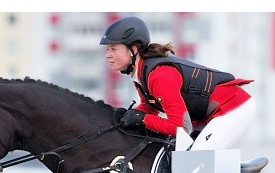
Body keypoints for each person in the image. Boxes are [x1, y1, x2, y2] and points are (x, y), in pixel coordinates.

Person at [101, 16, 256, 152]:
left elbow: (181, 128)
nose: (108, 55)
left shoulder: (158, 76)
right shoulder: (140, 73)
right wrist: (125, 115)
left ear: (133, 50)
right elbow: (150, 107)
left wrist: (142, 119)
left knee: (196, 158)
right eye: (107, 49)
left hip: (233, 108)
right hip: (210, 115)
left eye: (113, 49)